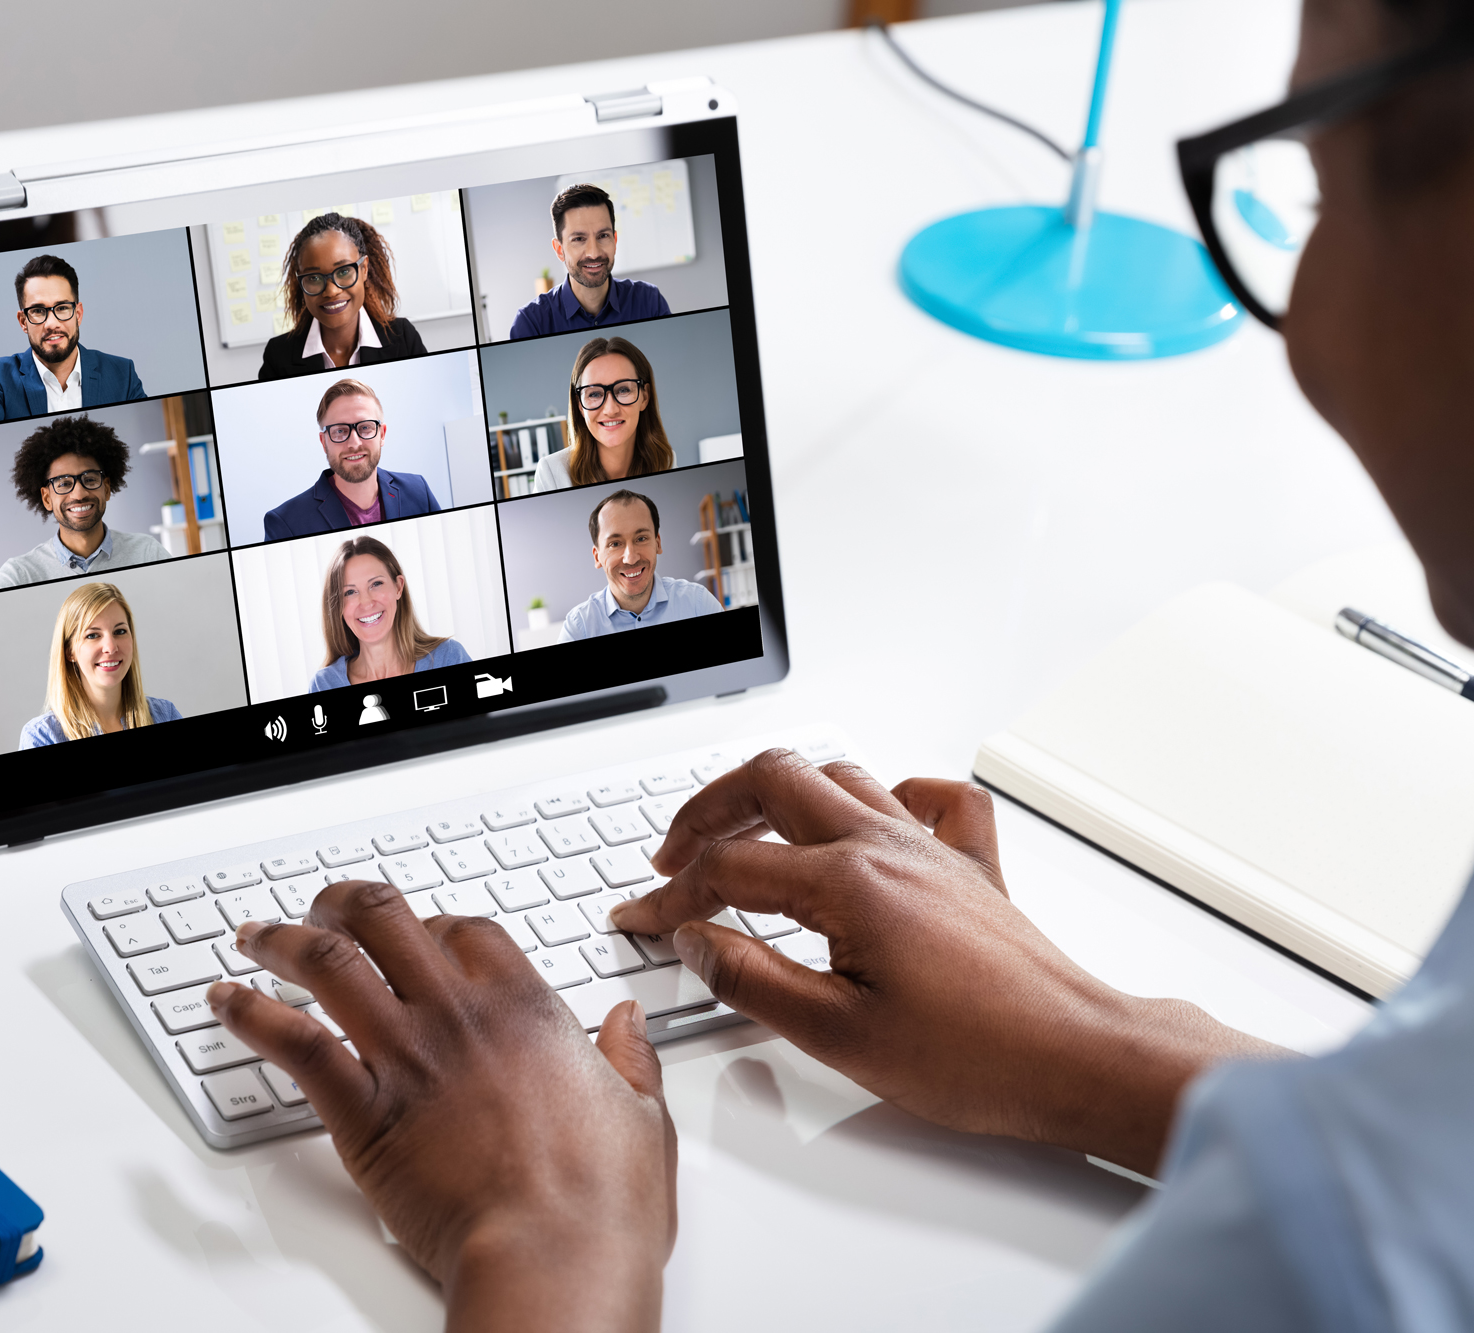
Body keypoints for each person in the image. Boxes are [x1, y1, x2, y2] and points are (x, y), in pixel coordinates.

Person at [199, 0, 1474, 1325]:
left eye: (1319, 182)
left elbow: (1396, 1193)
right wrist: (1096, 1040)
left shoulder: (1338, 1254)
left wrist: (545, 1233)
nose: (1302, 313)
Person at [0, 255, 145, 427]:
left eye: (62, 308)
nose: (51, 324)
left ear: (78, 314)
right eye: (38, 311)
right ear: (23, 321)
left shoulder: (123, 374)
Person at [0, 416, 169, 589]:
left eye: (89, 480)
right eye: (64, 484)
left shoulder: (147, 553)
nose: (79, 494)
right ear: (47, 499)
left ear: (106, 489)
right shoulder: (19, 576)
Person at [262, 378, 442, 540]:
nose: (354, 443)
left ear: (382, 434)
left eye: (365, 428)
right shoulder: (286, 523)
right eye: (340, 431)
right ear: (323, 442)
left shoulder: (419, 491)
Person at [259, 214, 428, 380]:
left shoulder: (403, 338)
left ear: (364, 269)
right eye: (314, 278)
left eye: (344, 271)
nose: (331, 291)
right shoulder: (278, 356)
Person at [19, 582, 181, 747]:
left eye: (120, 632)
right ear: (70, 651)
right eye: (92, 635)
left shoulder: (165, 714)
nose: (110, 647)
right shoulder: (42, 737)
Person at [508, 181, 672, 340]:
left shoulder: (649, 302)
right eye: (579, 238)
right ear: (559, 250)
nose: (593, 253)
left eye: (603, 236)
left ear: (614, 241)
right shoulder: (532, 323)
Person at [307, 535, 470, 691]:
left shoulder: (448, 658)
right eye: (350, 592)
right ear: (338, 607)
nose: (366, 602)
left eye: (376, 584)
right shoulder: (324, 685)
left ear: (398, 587)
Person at [559, 489, 720, 640]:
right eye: (615, 544)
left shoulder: (698, 604)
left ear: (657, 543)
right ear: (597, 557)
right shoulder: (579, 628)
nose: (631, 558)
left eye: (641, 539)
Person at [533, 336, 677, 492]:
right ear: (579, 405)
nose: (610, 410)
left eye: (623, 390)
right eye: (594, 394)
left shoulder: (666, 461)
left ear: (645, 397)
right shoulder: (551, 474)